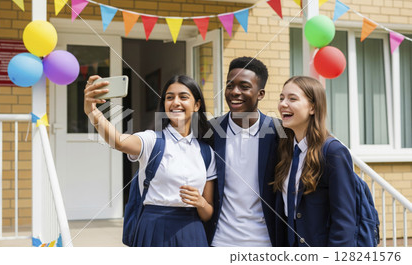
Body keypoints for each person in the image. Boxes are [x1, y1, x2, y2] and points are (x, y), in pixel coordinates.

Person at [84, 74, 216, 247]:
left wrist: (200, 203)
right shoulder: (152, 140)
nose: (175, 102)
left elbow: (208, 213)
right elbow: (118, 141)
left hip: (192, 233)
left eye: (183, 97)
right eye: (170, 97)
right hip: (153, 229)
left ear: (197, 105)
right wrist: (92, 111)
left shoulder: (207, 153)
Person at [205, 57, 283, 247]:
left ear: (260, 93)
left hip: (265, 242)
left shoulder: (279, 133)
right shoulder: (209, 130)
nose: (234, 92)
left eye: (244, 86)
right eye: (230, 85)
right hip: (219, 241)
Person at [274, 76, 357, 247]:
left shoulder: (333, 152)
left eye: (292, 98)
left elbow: (344, 222)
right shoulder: (285, 150)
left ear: (312, 107)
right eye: (282, 98)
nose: (283, 104)